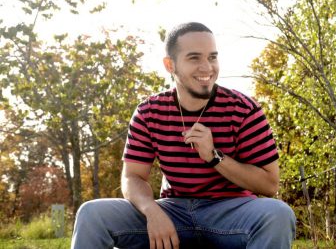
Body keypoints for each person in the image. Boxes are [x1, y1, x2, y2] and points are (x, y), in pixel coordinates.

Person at [71, 22, 296, 249]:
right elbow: (132, 177)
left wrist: (214, 156)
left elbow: (269, 184)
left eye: (212, 57)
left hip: (232, 212)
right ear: (170, 65)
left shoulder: (244, 110)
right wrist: (152, 210)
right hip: (172, 211)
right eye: (194, 58)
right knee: (92, 214)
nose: (207, 67)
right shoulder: (149, 112)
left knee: (277, 214)